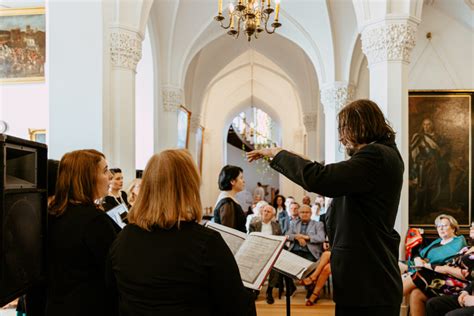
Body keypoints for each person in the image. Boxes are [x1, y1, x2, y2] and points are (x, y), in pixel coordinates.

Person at [248, 99, 404, 316]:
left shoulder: (376, 156)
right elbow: (328, 174)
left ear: (360, 126)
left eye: (344, 129)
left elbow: (321, 179)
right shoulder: (381, 155)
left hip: (368, 280)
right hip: (364, 278)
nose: (341, 138)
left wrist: (278, 154)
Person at [107, 149, 256, 316]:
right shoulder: (205, 243)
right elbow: (236, 306)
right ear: (189, 187)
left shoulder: (123, 238)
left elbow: (111, 297)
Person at [46, 149, 117, 316]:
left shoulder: (52, 214)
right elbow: (114, 269)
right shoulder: (94, 221)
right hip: (89, 306)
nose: (111, 176)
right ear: (87, 178)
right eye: (105, 170)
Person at [401, 214, 467, 316]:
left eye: (444, 225)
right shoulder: (438, 241)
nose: (441, 228)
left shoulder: (459, 241)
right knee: (415, 292)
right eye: (438, 226)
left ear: (453, 228)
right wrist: (418, 258)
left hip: (443, 275)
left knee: (420, 274)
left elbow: (442, 260)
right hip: (423, 268)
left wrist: (426, 263)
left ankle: (387, 302)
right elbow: (421, 253)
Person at [409, 118, 450, 217]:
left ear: (432, 125)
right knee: (422, 186)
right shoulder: (419, 137)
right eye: (424, 124)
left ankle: (428, 206)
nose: (426, 127)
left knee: (433, 186)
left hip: (434, 166)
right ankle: (419, 210)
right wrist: (420, 160)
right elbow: (413, 151)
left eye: (428, 124)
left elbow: (441, 151)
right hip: (423, 165)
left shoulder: (437, 137)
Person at [249, 205, 282, 305]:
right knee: (255, 266)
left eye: (269, 212)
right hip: (258, 251)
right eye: (265, 211)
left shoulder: (277, 226)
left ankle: (269, 291)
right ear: (261, 212)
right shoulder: (254, 225)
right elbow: (251, 239)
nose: (266, 213)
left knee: (275, 267)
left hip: (272, 251)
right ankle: (256, 289)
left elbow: (280, 239)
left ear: (273, 215)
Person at [213, 165, 247, 233]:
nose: (244, 181)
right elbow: (228, 234)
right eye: (241, 178)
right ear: (232, 181)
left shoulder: (228, 198)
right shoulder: (227, 203)